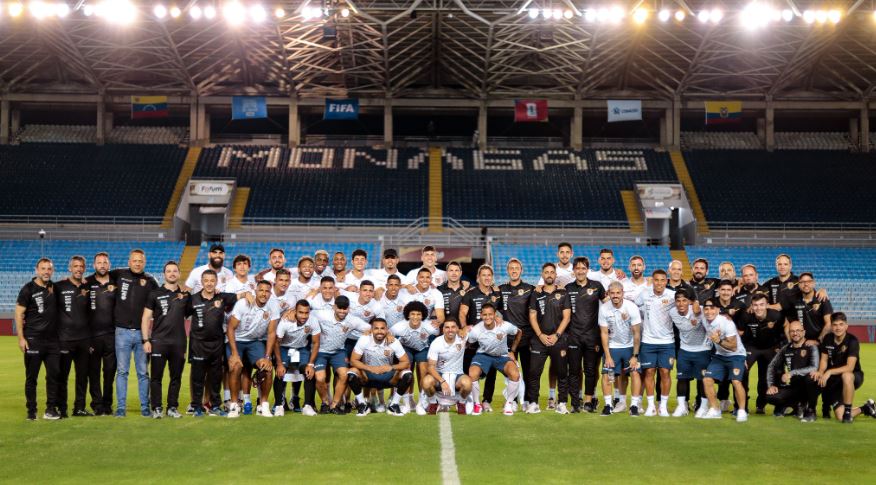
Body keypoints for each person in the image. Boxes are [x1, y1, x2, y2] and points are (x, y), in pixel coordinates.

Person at [187, 270, 242, 417]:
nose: (209, 283)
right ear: (202, 281)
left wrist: (247, 294)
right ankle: (197, 407)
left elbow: (240, 295)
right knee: (198, 377)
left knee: (215, 377)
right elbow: (181, 313)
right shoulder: (192, 299)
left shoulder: (222, 297)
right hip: (198, 344)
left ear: (216, 282)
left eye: (212, 280)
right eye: (206, 280)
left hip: (217, 344)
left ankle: (215, 406)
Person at [111, 249, 159, 418]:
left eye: (140, 261)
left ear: (144, 263)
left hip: (142, 334)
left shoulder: (151, 281)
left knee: (143, 373)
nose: (137, 263)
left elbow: (160, 300)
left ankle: (145, 408)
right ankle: (120, 408)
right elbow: (97, 277)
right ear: (129, 261)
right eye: (134, 260)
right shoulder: (118, 274)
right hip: (121, 332)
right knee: (122, 371)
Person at [141, 261, 190, 418]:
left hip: (179, 343)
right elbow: (146, 318)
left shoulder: (185, 295)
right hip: (158, 342)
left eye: (175, 271)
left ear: (179, 274)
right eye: (169, 271)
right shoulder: (154, 293)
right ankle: (156, 408)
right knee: (156, 377)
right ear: (164, 274)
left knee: (176, 377)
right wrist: (145, 340)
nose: (172, 273)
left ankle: (172, 408)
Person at [226, 280, 280, 418]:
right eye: (261, 290)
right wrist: (234, 354)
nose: (264, 294)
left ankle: (264, 405)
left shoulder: (273, 305)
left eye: (267, 291)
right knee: (236, 366)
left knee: (267, 368)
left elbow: (271, 333)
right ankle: (234, 405)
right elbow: (230, 328)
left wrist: (268, 357)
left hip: (254, 342)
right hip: (237, 340)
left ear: (270, 293)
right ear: (255, 291)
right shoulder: (243, 304)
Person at [16, 258, 61, 420]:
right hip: (33, 340)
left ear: (52, 271)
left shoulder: (54, 288)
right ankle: (31, 411)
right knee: (31, 377)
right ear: (37, 270)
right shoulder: (27, 289)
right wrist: (21, 338)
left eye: (49, 269)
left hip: (53, 342)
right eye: (43, 269)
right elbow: (19, 314)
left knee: (54, 375)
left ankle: (50, 410)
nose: (46, 271)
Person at [311, 296, 372, 414]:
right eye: (339, 308)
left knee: (344, 375)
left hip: (338, 352)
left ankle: (335, 405)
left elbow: (371, 328)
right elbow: (304, 311)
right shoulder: (321, 314)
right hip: (320, 351)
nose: (342, 311)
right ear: (334, 307)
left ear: (348, 309)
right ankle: (325, 403)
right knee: (320, 378)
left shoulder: (352, 320)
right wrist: (290, 312)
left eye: (345, 309)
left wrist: (384, 333)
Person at [813, 313, 876, 423]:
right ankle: (866, 408)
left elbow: (850, 367)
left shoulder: (852, 341)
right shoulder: (827, 338)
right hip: (835, 381)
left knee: (846, 375)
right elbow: (824, 360)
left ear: (846, 326)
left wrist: (829, 372)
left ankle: (848, 411)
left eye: (841, 324)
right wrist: (821, 372)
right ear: (831, 327)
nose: (838, 328)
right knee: (839, 417)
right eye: (835, 325)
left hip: (853, 376)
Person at [527, 263, 571, 414]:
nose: (549, 275)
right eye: (546, 272)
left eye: (552, 272)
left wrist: (556, 335)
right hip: (539, 340)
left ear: (555, 275)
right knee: (534, 373)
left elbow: (567, 317)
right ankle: (533, 403)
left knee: (562, 372)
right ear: (543, 275)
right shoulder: (535, 293)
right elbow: (532, 316)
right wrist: (540, 335)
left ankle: (562, 403)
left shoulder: (563, 293)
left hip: (558, 339)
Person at [564, 256, 607, 413]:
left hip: (592, 336)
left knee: (590, 370)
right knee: (574, 371)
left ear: (587, 270)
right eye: (577, 268)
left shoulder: (597, 286)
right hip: (574, 336)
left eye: (583, 268)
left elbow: (609, 304)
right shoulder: (568, 288)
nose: (580, 271)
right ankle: (575, 402)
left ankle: (589, 401)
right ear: (573, 270)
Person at [466, 303, 522, 416]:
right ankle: (476, 404)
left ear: (495, 314)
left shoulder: (504, 325)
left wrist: (512, 351)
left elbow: (519, 332)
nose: (488, 317)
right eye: (485, 314)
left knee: (515, 374)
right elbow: (469, 343)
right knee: (472, 374)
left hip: (502, 356)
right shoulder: (476, 330)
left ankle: (509, 404)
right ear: (481, 315)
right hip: (484, 355)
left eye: (490, 314)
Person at [347, 318, 411, 416]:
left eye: (382, 328)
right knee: (351, 373)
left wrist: (391, 367)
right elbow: (353, 360)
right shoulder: (364, 339)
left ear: (387, 330)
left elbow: (406, 362)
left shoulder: (393, 341)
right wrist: (370, 368)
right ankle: (362, 405)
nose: (379, 331)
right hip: (368, 377)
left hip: (389, 378)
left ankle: (394, 405)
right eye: (376, 328)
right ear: (372, 330)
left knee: (408, 374)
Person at [597, 281, 642, 416]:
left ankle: (634, 405)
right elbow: (604, 333)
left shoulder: (631, 307)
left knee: (634, 373)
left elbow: (636, 333)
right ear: (608, 294)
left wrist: (634, 356)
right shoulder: (604, 308)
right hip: (613, 347)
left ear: (622, 293)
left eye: (618, 293)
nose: (615, 295)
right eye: (612, 293)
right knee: (607, 375)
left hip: (629, 347)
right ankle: (608, 405)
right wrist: (608, 356)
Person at [700, 298, 749, 422]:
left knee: (736, 382)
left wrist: (719, 341)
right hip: (720, 355)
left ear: (718, 310)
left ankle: (742, 411)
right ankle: (715, 410)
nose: (708, 311)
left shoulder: (727, 323)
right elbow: (695, 306)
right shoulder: (705, 319)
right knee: (707, 379)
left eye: (712, 308)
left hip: (736, 355)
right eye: (706, 309)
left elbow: (733, 347)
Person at [635, 269, 675, 417]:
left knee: (665, 372)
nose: (659, 283)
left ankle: (662, 406)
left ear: (666, 281)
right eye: (656, 280)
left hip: (667, 341)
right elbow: (634, 306)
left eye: (662, 280)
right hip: (648, 341)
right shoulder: (644, 294)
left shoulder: (672, 295)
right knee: (649, 372)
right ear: (652, 281)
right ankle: (651, 406)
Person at [55, 256, 92, 417]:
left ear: (84, 268)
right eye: (75, 266)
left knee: (82, 377)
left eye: (81, 266)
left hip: (84, 341)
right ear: (70, 268)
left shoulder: (88, 287)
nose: (78, 269)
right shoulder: (59, 286)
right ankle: (61, 408)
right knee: (62, 376)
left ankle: (79, 408)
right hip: (64, 340)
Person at [736, 293, 786, 414]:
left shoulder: (776, 315)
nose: (758, 308)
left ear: (767, 305)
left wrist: (782, 349)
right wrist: (740, 355)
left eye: (761, 305)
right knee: (741, 370)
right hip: (751, 347)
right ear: (751, 306)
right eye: (755, 305)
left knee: (776, 373)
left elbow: (785, 329)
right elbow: (739, 335)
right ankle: (741, 407)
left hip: (771, 347)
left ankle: (770, 406)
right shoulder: (746, 316)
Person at [764, 321, 821, 421]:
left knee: (811, 378)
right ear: (789, 333)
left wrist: (792, 373)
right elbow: (771, 366)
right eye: (792, 331)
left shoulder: (811, 347)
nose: (795, 333)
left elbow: (814, 367)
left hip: (808, 386)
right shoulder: (785, 349)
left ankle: (811, 411)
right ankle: (793, 406)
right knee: (770, 396)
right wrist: (771, 385)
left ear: (804, 332)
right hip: (793, 387)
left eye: (798, 330)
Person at [390, 301, 439, 415]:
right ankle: (407, 404)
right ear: (408, 315)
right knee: (406, 369)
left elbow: (437, 336)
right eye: (413, 314)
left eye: (418, 314)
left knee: (423, 368)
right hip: (406, 348)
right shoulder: (399, 327)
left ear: (423, 316)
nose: (415, 317)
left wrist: (438, 323)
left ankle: (421, 403)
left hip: (422, 349)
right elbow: (388, 335)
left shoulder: (430, 327)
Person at [497, 258, 534, 410]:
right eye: (511, 268)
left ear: (521, 270)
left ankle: (527, 401)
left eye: (516, 268)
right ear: (507, 271)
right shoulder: (500, 289)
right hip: (507, 339)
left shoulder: (530, 289)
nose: (514, 270)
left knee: (527, 370)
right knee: (510, 372)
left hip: (526, 337)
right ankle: (512, 400)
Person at [273, 300, 321, 417]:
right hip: (285, 348)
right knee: (280, 372)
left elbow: (315, 343)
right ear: (295, 311)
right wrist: (279, 363)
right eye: (301, 312)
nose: (304, 316)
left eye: (306, 313)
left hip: (302, 349)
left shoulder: (313, 321)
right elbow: (276, 343)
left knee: (309, 372)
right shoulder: (285, 321)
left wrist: (310, 364)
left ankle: (307, 406)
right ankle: (279, 406)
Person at [669, 288, 710, 417]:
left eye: (684, 301)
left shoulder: (701, 310)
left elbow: (715, 315)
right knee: (681, 378)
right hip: (684, 350)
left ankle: (703, 407)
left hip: (703, 350)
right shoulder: (672, 312)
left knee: (702, 380)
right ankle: (682, 407)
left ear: (690, 302)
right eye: (678, 301)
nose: (681, 304)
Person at [84, 252, 116, 415]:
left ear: (109, 265)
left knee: (110, 372)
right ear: (94, 265)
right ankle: (97, 404)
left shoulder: (116, 281)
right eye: (99, 262)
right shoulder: (87, 282)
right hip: (92, 336)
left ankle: (107, 404)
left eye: (105, 262)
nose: (102, 265)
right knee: (94, 372)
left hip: (112, 335)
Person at [422, 319, 473, 414]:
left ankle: (461, 403)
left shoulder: (462, 337)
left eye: (453, 327)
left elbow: (472, 327)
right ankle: (433, 403)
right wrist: (442, 381)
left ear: (457, 328)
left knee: (468, 383)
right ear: (443, 330)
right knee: (426, 382)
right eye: (447, 327)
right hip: (440, 374)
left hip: (457, 374)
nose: (450, 330)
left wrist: (464, 328)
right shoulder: (436, 343)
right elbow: (431, 367)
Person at [783, 272, 832, 345]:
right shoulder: (794, 300)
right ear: (799, 285)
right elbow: (787, 322)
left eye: (809, 281)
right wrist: (791, 341)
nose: (806, 284)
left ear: (813, 283)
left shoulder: (822, 299)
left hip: (819, 342)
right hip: (800, 342)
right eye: (802, 282)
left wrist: (817, 341)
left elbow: (829, 323)